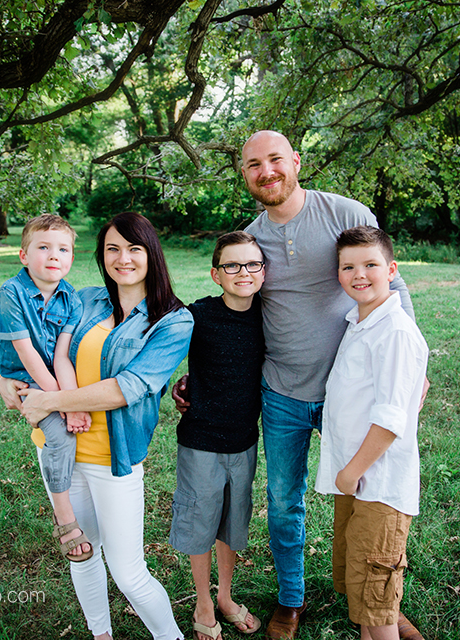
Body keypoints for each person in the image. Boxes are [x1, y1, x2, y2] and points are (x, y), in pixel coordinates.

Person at [173, 130, 427, 640]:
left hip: (348, 392)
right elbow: (234, 312)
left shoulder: (345, 212)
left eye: (274, 160)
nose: (266, 171)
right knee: (285, 498)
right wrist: (197, 373)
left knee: (368, 498)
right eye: (252, 165)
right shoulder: (250, 240)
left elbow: (391, 286)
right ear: (243, 174)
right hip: (282, 392)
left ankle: (381, 603)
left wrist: (414, 372)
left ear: (295, 161)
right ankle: (292, 597)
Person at [0, 211, 193, 640]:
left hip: (113, 459)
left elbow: (130, 387)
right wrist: (4, 378)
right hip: (57, 448)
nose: (123, 259)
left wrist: (52, 401)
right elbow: (38, 346)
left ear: (152, 255)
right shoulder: (84, 300)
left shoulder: (173, 321)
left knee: (128, 573)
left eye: (134, 249)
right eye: (112, 249)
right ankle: (100, 634)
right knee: (83, 557)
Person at [314, 226, 428, 640]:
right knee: (361, 589)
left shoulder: (395, 331)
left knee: (377, 603)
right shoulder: (360, 322)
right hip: (358, 481)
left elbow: (391, 420)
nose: (359, 274)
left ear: (391, 269)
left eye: (370, 265)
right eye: (348, 267)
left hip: (376, 483)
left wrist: (350, 472)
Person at [169, 231, 266, 640]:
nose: (243, 272)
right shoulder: (198, 316)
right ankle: (203, 601)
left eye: (252, 264)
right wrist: (180, 384)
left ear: (264, 270)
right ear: (216, 274)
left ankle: (225, 596)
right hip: (201, 441)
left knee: (232, 523)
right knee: (200, 523)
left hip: (245, 439)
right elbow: (163, 353)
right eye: (232, 265)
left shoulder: (270, 312)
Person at [0, 213, 93, 562]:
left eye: (63, 249)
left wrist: (73, 401)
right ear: (24, 255)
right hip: (25, 377)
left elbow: (62, 357)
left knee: (80, 422)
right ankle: (64, 515)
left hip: (54, 375)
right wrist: (62, 405)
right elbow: (28, 354)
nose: (54, 256)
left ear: (71, 258)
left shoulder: (72, 299)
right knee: (61, 437)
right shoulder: (13, 292)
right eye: (43, 247)